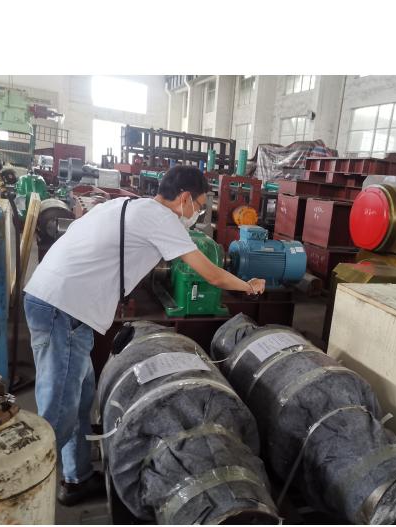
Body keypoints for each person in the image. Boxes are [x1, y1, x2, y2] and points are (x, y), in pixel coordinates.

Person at [23, 165, 265, 506]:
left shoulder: (125, 205)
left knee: (79, 398)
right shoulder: (162, 218)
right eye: (199, 206)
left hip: (62, 303)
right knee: (59, 408)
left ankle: (76, 478)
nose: (197, 213)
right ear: (184, 198)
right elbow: (212, 275)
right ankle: (25, 491)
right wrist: (248, 286)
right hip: (61, 308)